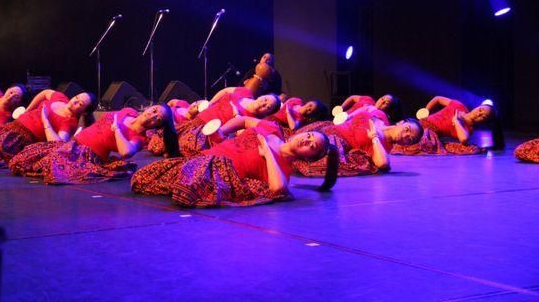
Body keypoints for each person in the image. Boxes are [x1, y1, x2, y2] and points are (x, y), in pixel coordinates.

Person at [131, 119, 337, 207]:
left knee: (186, 191)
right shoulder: (272, 129)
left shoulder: (281, 169)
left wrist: (268, 154)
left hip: (215, 171)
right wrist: (223, 131)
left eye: (312, 146)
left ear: (308, 157)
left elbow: (278, 189)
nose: (307, 141)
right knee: (141, 178)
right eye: (309, 136)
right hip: (201, 158)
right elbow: (244, 119)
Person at [8, 104, 179, 184]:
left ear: (158, 125)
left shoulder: (139, 138)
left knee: (50, 166)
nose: (153, 116)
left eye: (158, 119)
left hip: (85, 155)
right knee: (25, 158)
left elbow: (126, 153)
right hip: (72, 144)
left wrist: (117, 130)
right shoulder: (128, 111)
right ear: (150, 107)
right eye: (154, 110)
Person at [0, 90, 95, 168]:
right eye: (76, 97)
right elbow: (45, 93)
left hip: (19, 138)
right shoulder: (61, 98)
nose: (75, 101)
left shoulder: (69, 122)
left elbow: (58, 143)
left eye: (80, 103)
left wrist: (45, 119)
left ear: (83, 112)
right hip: (11, 127)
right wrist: (28, 109)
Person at [294, 108, 423, 177]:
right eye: (407, 129)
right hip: (328, 128)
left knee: (297, 150)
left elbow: (383, 163)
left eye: (409, 139)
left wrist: (374, 137)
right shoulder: (378, 116)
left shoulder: (383, 147)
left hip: (333, 141)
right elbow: (363, 110)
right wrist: (346, 117)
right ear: (401, 122)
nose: (405, 135)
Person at [164, 86, 281, 157]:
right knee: (161, 141)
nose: (263, 104)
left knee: (176, 147)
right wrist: (210, 103)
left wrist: (237, 115)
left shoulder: (252, 120)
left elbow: (239, 135)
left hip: (207, 132)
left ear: (267, 113)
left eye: (268, 107)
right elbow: (225, 91)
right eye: (265, 99)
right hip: (199, 119)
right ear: (262, 95)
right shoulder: (245, 92)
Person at [391, 96, 502, 155]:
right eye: (481, 110)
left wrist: (456, 121)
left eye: (483, 116)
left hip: (430, 134)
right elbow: (437, 99)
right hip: (420, 125)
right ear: (478, 107)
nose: (479, 113)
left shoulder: (468, 129)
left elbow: (464, 140)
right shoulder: (459, 105)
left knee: (423, 143)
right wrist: (426, 111)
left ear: (483, 121)